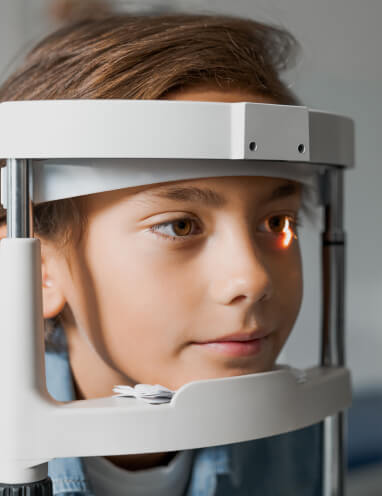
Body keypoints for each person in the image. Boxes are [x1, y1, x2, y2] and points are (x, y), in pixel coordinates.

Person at [0, 13, 320, 496]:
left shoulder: (293, 437)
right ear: (37, 271)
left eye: (277, 223)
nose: (251, 279)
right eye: (180, 225)